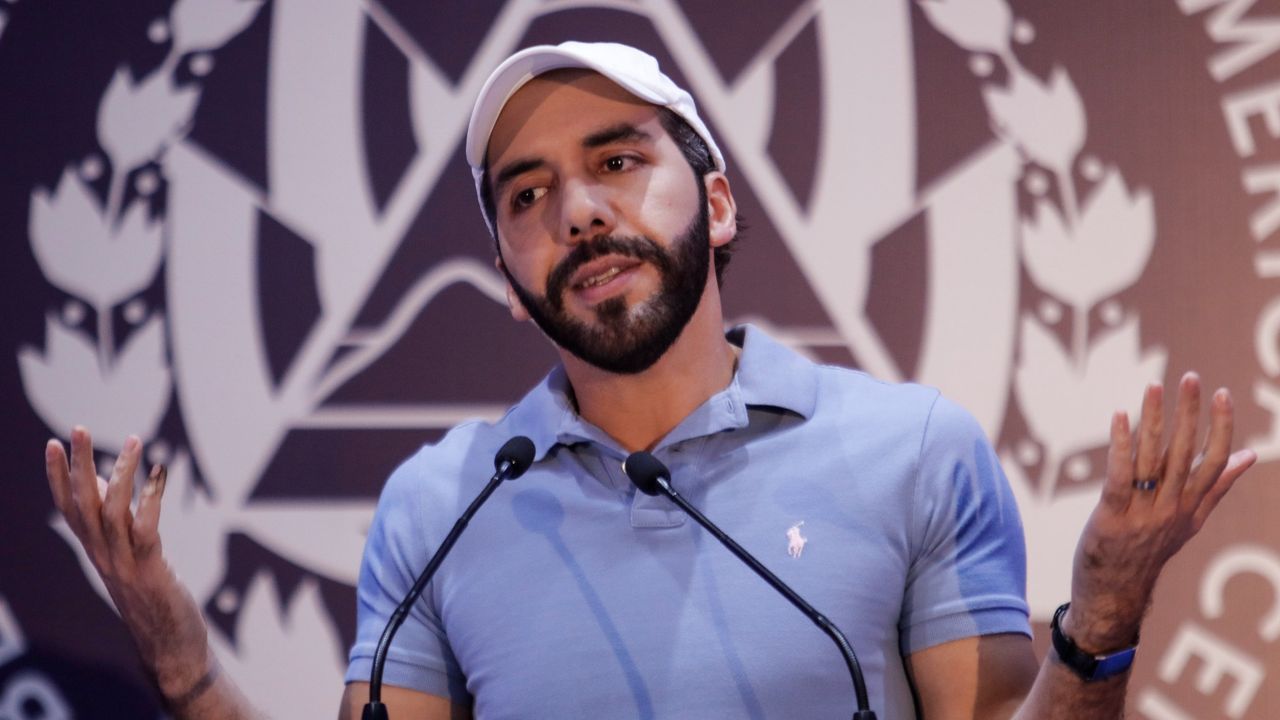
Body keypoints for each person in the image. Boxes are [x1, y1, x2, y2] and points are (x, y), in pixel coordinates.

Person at [44, 41, 1257, 719]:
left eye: (616, 162)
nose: (575, 212)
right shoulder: (440, 501)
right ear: (506, 265)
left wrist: (1099, 615)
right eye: (526, 196)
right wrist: (184, 669)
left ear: (717, 201)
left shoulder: (912, 449)